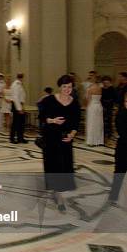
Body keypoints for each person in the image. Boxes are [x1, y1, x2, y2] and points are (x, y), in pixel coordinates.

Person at [38, 74, 81, 208]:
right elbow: (41, 117)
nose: (67, 89)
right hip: (51, 136)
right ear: (60, 87)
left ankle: (62, 191)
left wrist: (72, 135)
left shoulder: (74, 103)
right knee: (53, 164)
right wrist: (53, 120)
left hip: (66, 138)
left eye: (69, 87)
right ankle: (57, 193)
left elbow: (76, 122)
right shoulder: (49, 100)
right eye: (64, 86)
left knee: (65, 164)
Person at [108, 92, 127, 204]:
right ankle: (113, 196)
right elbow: (123, 133)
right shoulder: (121, 114)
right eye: (126, 101)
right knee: (119, 173)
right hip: (123, 148)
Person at [85, 75, 104, 146]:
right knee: (98, 124)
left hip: (92, 106)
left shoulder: (90, 88)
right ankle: (99, 140)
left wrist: (87, 106)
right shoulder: (100, 88)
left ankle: (91, 141)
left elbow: (88, 99)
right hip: (99, 106)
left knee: (91, 123)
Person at [10, 73, 27, 143]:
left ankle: (20, 138)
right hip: (17, 105)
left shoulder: (19, 84)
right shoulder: (16, 84)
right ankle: (12, 138)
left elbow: (21, 96)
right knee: (16, 123)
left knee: (21, 123)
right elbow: (15, 97)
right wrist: (19, 109)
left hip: (20, 105)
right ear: (22, 77)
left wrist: (22, 106)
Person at [101, 76, 116, 141]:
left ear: (109, 82)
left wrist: (107, 102)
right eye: (104, 82)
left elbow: (113, 98)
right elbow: (101, 98)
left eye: (107, 82)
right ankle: (103, 133)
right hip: (103, 106)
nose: (105, 84)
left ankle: (109, 133)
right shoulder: (102, 89)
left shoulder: (112, 89)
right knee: (103, 121)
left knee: (109, 120)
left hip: (109, 106)